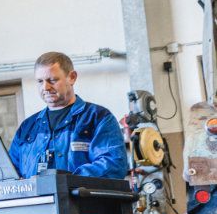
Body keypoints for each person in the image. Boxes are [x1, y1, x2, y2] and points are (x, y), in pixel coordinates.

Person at [8, 51, 129, 179]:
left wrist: (65, 182)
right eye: (39, 81)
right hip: (39, 199)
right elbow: (10, 173)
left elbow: (113, 164)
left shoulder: (98, 118)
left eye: (52, 80)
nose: (45, 87)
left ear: (72, 77)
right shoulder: (27, 127)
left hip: (80, 198)